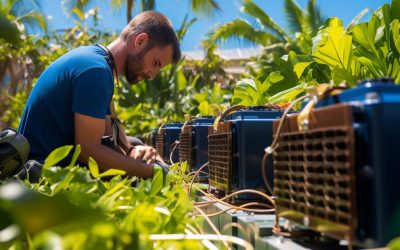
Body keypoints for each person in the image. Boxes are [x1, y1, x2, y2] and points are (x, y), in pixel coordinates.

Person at [18, 11, 181, 178]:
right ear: (140, 41)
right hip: (41, 173)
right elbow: (88, 151)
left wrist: (133, 149)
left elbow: (109, 133)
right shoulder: (95, 71)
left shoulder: (98, 61)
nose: (151, 75)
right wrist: (153, 172)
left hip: (51, 164)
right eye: (155, 63)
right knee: (136, 177)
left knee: (136, 144)